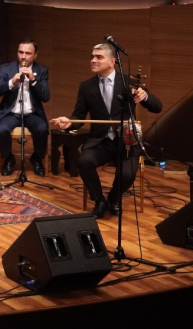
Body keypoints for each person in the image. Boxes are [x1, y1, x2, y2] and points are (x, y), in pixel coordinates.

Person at [51, 43, 163, 219]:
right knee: (84, 161)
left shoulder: (129, 83)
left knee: (127, 174)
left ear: (112, 62)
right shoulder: (86, 86)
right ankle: (99, 200)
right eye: (92, 56)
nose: (93, 60)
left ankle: (113, 198)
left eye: (99, 57)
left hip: (126, 142)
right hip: (100, 142)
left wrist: (145, 96)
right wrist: (69, 123)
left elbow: (157, 107)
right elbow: (78, 116)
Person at [0, 39, 50, 177]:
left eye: (28, 53)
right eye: (21, 52)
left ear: (35, 55)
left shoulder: (42, 70)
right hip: (10, 113)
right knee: (1, 130)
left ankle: (36, 158)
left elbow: (46, 97)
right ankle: (8, 158)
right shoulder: (6, 68)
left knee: (42, 129)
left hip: (32, 113)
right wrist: (11, 82)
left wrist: (33, 81)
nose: (23, 56)